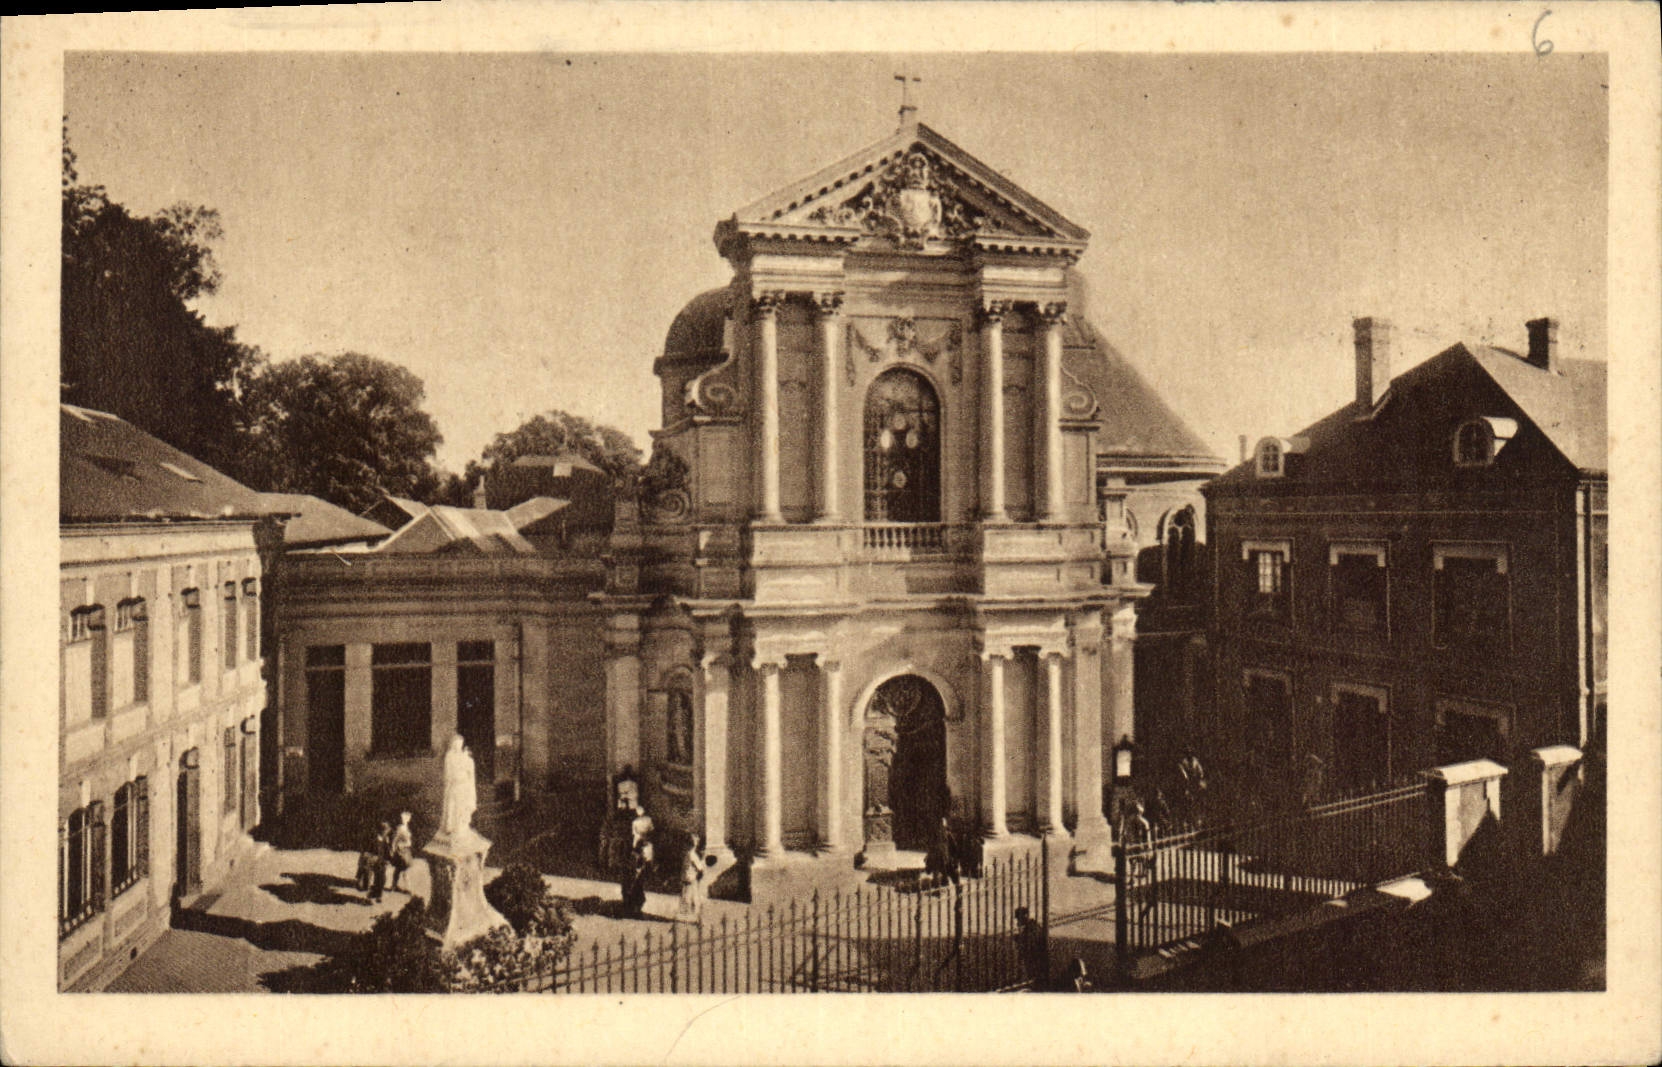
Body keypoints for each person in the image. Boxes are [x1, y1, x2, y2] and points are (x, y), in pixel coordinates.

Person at [440, 733, 477, 836]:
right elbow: (448, 772)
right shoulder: (449, 756)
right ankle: (451, 827)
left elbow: (469, 771)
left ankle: (462, 827)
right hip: (454, 785)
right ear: (452, 745)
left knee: (462, 806)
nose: (458, 746)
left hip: (464, 785)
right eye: (456, 744)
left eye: (460, 744)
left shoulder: (465, 756)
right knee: (453, 805)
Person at [621, 812, 654, 919]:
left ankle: (632, 908)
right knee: (634, 889)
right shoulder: (646, 847)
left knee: (633, 889)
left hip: (636, 871)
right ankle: (633, 909)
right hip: (636, 870)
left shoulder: (640, 847)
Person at [675, 832, 708, 925]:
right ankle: (696, 918)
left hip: (687, 878)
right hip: (692, 879)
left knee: (687, 898)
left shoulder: (687, 854)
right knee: (694, 899)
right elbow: (700, 868)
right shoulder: (692, 855)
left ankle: (689, 917)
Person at [1014, 906, 1047, 989]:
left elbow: (1029, 944)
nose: (1017, 921)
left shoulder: (1032, 928)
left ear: (1025, 916)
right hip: (1036, 959)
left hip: (1035, 960)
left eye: (1018, 918)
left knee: (1034, 979)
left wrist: (1019, 939)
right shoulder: (1033, 926)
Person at [365, 820, 391, 903]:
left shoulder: (385, 840)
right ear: (382, 831)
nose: (386, 833)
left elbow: (387, 851)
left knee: (381, 879)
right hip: (373, 861)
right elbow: (367, 850)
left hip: (381, 862)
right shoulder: (373, 839)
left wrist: (388, 860)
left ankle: (378, 895)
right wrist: (370, 856)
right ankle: (368, 897)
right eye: (386, 831)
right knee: (371, 879)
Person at [388, 810, 414, 892]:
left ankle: (394, 886)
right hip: (401, 851)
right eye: (403, 818)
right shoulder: (400, 828)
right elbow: (395, 840)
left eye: (407, 818)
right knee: (403, 869)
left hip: (405, 851)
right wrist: (393, 849)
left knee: (399, 869)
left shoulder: (406, 827)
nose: (405, 819)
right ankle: (407, 888)